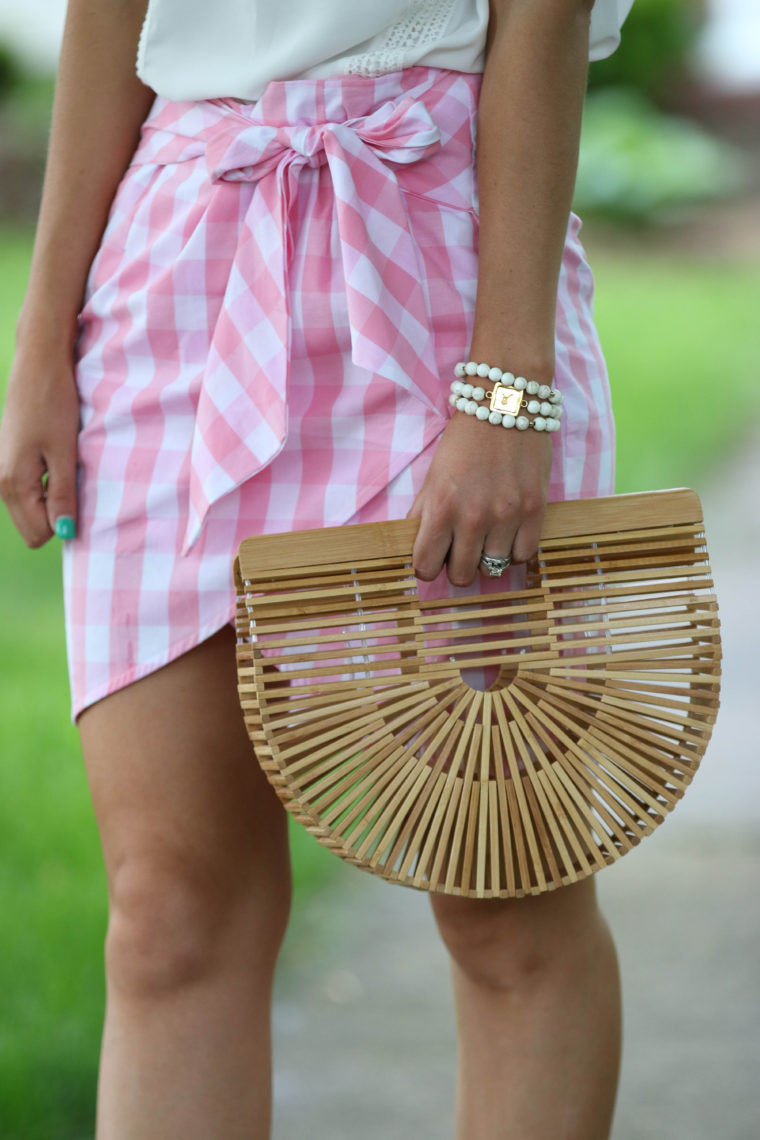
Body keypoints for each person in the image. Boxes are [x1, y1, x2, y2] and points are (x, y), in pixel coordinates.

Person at [0, 0, 631, 1136]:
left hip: (442, 253)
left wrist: (507, 385)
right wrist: (41, 338)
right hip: (179, 259)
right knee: (167, 917)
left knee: (507, 898)